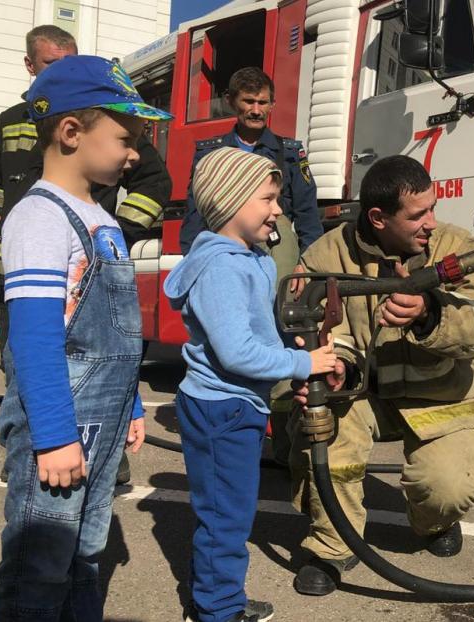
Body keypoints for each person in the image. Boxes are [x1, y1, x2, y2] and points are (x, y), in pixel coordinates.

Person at [287, 155, 474, 596]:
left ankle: (435, 522)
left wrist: (433, 315)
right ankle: (332, 546)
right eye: (418, 214)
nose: (432, 222)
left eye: (432, 208)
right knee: (323, 438)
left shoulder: (456, 247)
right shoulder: (326, 255)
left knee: (452, 484)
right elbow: (321, 331)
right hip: (363, 393)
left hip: (443, 396)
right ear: (378, 217)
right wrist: (339, 366)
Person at [0, 54, 171, 621]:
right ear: (71, 132)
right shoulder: (40, 218)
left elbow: (116, 332)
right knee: (39, 564)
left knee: (85, 555)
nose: (135, 152)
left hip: (104, 417)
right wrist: (53, 437)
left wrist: (132, 401)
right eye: (126, 137)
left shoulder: (102, 217)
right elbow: (35, 338)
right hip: (63, 422)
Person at [164, 147, 337, 622]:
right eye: (267, 199)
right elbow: (236, 351)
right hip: (223, 410)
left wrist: (291, 343)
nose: (278, 209)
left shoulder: (248, 257)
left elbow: (257, 330)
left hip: (235, 405)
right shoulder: (222, 267)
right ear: (230, 201)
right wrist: (301, 363)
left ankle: (221, 600)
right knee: (226, 518)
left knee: (231, 511)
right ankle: (216, 611)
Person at [0, 25, 172, 378]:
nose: (132, 153)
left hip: (88, 274)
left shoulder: (99, 119)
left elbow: (155, 181)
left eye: (71, 62)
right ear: (30, 65)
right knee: (25, 368)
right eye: (51, 63)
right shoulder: (11, 122)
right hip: (18, 276)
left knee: (90, 364)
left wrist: (119, 232)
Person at [178, 66, 323, 279]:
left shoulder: (290, 153)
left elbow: (308, 215)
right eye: (248, 101)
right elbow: (195, 215)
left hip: (277, 252)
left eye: (262, 102)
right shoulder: (210, 153)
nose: (256, 110)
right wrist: (193, 264)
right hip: (224, 255)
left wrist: (306, 265)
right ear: (230, 101)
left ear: (272, 104)